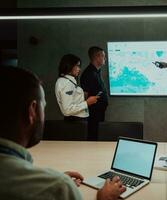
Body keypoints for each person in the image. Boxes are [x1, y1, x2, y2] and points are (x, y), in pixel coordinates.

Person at [0, 66, 126, 199]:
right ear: (32, 111)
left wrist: (52, 180)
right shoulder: (58, 188)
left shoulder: (55, 185)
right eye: (44, 107)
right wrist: (103, 198)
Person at [55, 54, 98, 121]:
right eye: (77, 66)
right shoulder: (66, 83)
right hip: (75, 121)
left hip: (76, 120)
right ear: (69, 65)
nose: (79, 69)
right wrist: (87, 103)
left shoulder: (67, 80)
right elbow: (68, 110)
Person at [80, 47, 108, 140]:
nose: (105, 59)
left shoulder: (96, 72)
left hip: (98, 113)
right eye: (103, 56)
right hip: (92, 114)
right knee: (92, 136)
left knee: (97, 135)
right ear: (97, 57)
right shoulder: (89, 73)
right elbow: (85, 95)